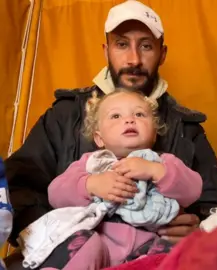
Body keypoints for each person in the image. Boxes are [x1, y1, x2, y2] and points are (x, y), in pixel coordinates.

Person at [5, 0, 217, 255]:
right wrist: (52, 236)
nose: (133, 59)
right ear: (106, 50)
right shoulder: (65, 115)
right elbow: (17, 186)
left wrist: (198, 230)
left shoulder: (186, 127)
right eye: (121, 44)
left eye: (146, 46)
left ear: (162, 53)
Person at [19, 90, 203, 269]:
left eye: (139, 114)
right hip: (101, 246)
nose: (130, 119)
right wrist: (90, 185)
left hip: (147, 247)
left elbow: (193, 190)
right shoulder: (92, 163)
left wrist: (155, 170)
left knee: (177, 254)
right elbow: (56, 193)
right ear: (99, 138)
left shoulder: (164, 162)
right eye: (115, 116)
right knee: (81, 244)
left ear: (154, 134)